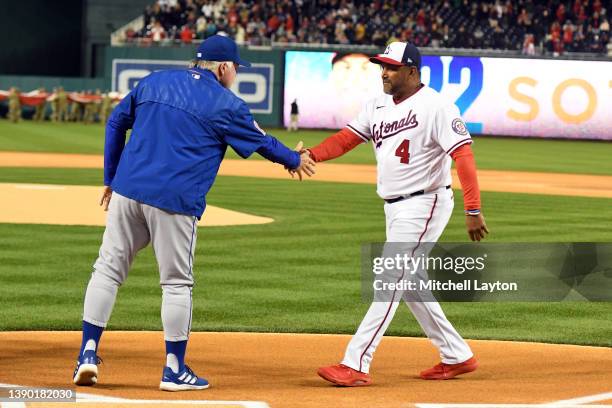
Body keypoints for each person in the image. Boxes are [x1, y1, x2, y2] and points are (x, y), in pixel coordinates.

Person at [72, 34, 315, 392]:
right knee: (175, 282)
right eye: (235, 68)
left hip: (128, 190)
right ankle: (173, 369)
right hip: (175, 200)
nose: (236, 74)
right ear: (223, 67)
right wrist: (294, 159)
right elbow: (263, 142)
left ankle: (87, 353)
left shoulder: (154, 80)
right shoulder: (226, 103)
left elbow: (115, 122)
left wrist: (111, 176)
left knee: (107, 270)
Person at [309, 42, 489, 386]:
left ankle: (356, 363)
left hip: (426, 203)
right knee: (410, 283)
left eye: (391, 67)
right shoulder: (376, 105)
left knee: (389, 276)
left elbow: (463, 155)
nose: (384, 72)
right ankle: (457, 355)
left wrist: (473, 208)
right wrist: (310, 155)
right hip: (394, 206)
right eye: (382, 66)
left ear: (412, 71)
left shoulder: (436, 106)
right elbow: (346, 139)